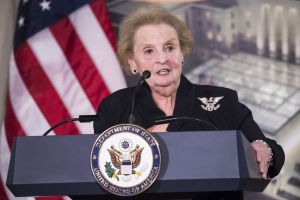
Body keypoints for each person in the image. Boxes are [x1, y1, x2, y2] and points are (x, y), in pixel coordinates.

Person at [93, 6, 285, 200]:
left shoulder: (223, 101)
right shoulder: (114, 108)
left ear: (182, 53)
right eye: (149, 51)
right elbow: (99, 176)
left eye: (170, 47)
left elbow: (273, 152)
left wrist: (264, 149)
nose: (162, 59)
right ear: (133, 61)